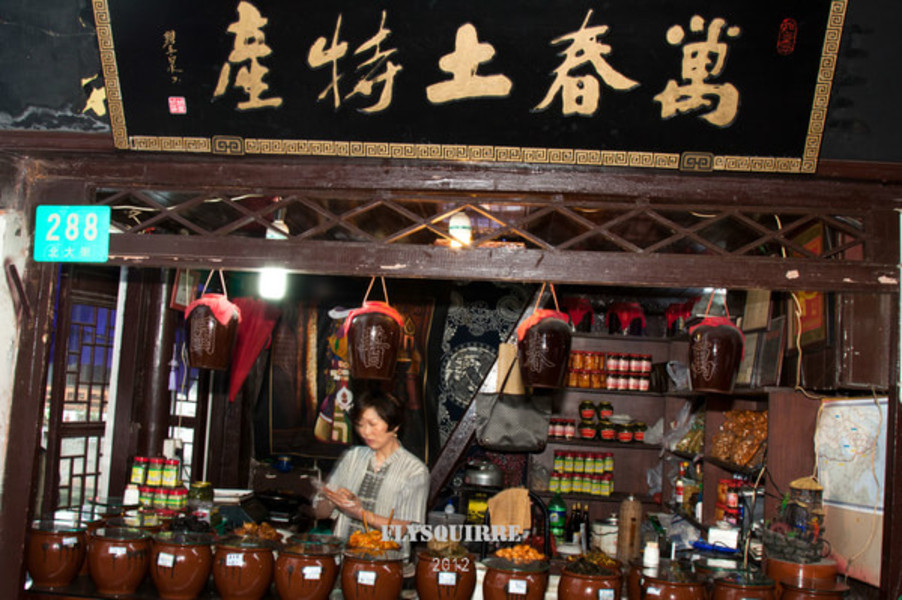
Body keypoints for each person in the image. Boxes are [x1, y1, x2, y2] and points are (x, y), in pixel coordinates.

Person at [314, 389, 429, 541]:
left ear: (395, 426)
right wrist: (331, 500)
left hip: (386, 561)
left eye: (372, 424)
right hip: (345, 558)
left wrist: (361, 514)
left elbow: (408, 530)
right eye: (360, 425)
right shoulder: (352, 457)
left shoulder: (414, 471)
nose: (365, 432)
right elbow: (319, 513)